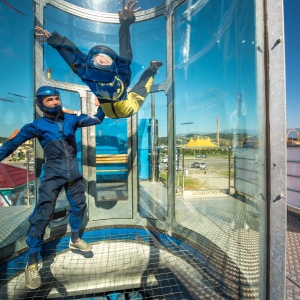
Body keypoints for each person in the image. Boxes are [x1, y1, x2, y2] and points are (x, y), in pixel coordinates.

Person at [0, 86, 105, 290]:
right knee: (42, 216)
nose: (55, 102)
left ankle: (74, 239)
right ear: (40, 104)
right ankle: (32, 264)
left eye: (56, 98)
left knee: (79, 206)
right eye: (49, 100)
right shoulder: (37, 126)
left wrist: (100, 108)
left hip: (73, 175)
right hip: (52, 176)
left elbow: (96, 120)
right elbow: (10, 146)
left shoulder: (71, 120)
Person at [35, 0, 163, 119]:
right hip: (108, 112)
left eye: (104, 57)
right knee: (134, 91)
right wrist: (55, 40)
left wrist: (125, 24)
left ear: (113, 65)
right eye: (95, 57)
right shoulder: (90, 75)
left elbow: (126, 53)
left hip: (128, 108)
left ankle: (152, 69)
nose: (99, 58)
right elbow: (75, 58)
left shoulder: (120, 73)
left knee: (140, 90)